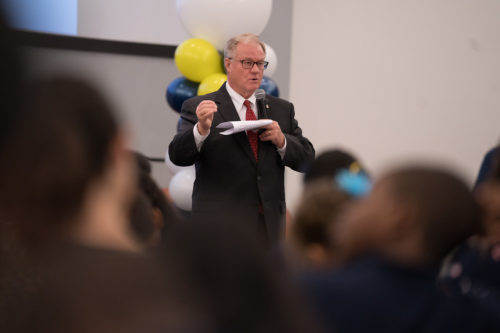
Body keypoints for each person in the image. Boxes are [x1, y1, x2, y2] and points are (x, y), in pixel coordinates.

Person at [300, 166, 497, 332]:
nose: (348, 209)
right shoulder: (476, 317)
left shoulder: (310, 295)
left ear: (399, 216)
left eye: (366, 199)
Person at [169, 33, 315, 244]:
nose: (255, 70)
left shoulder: (280, 109)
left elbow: (307, 159)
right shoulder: (201, 107)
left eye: (260, 63)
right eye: (247, 63)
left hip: (267, 228)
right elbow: (178, 155)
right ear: (228, 64)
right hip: (220, 228)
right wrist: (201, 129)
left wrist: (282, 141)